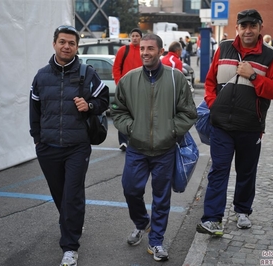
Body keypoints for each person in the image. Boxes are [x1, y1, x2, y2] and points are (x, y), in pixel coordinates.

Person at [196, 9, 273, 236]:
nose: (248, 30)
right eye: (243, 26)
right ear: (237, 28)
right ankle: (213, 219)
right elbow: (210, 81)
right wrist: (213, 104)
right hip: (222, 126)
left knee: (246, 171)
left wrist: (254, 76)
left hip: (250, 126)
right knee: (218, 171)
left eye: (252, 26)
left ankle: (242, 210)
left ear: (259, 28)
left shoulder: (271, 56)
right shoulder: (224, 48)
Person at [110, 33, 197, 261]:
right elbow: (118, 111)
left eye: (150, 49)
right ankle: (142, 223)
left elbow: (189, 112)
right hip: (137, 148)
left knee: (161, 198)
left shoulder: (175, 78)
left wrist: (170, 131)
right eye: (143, 49)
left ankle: (156, 241)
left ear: (160, 51)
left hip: (165, 150)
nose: (145, 52)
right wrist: (131, 128)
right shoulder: (129, 79)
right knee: (130, 189)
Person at [29, 25, 109, 266]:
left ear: (77, 47)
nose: (66, 46)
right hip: (48, 147)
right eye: (62, 42)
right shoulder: (41, 76)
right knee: (60, 194)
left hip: (77, 147)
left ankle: (70, 247)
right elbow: (34, 110)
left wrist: (90, 106)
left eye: (71, 43)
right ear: (54, 44)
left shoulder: (87, 73)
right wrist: (37, 138)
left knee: (72, 195)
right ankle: (71, 222)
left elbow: (104, 98)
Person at [112, 28, 143, 151]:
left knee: (138, 115)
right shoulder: (123, 50)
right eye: (133, 35)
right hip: (125, 88)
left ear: (141, 37)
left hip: (141, 88)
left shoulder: (143, 51)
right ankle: (123, 141)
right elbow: (116, 68)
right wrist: (119, 84)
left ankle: (136, 139)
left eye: (137, 36)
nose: (135, 38)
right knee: (124, 114)